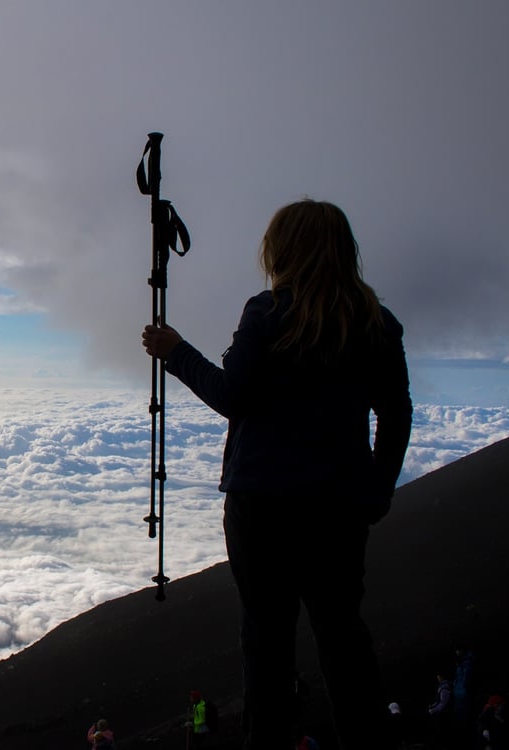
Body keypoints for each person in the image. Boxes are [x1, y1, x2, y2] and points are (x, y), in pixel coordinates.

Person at [142, 199, 413, 750]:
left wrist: (176, 352)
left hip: (261, 505)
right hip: (340, 507)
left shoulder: (266, 314)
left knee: (266, 642)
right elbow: (396, 412)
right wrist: (377, 491)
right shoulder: (376, 323)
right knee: (343, 638)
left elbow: (231, 397)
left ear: (281, 249)